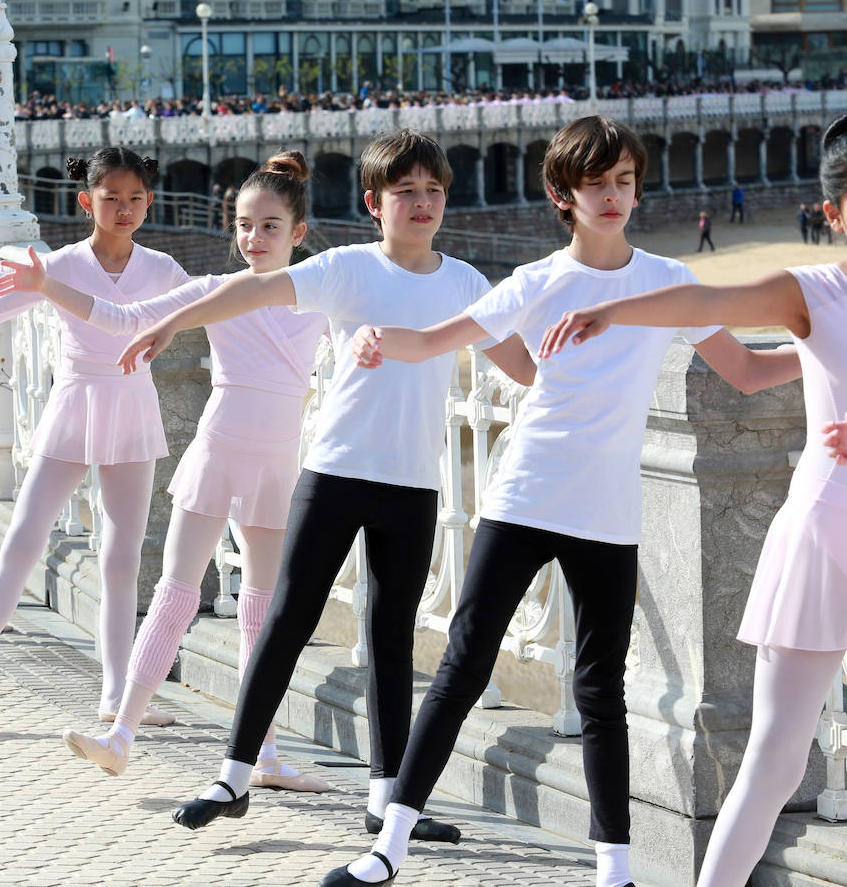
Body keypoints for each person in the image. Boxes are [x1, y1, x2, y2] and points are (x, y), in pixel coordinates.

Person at [315, 116, 798, 887]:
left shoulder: (668, 280)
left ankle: (615, 872)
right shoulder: (538, 281)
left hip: (607, 508)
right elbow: (437, 338)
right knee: (463, 666)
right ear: (561, 193)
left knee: (600, 690)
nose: (613, 196)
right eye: (596, 183)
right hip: (526, 494)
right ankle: (388, 848)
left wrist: (820, 348)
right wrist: (376, 337)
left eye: (624, 181)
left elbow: (745, 370)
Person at [115, 129, 533, 840]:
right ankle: (234, 776)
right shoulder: (346, 268)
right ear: (374, 202)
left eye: (433, 190)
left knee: (391, 639)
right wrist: (168, 326)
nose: (422, 202)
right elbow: (249, 289)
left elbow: (522, 365)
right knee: (287, 619)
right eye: (405, 191)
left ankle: (386, 799)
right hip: (334, 472)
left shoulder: (465, 282)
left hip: (412, 484)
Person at [537, 113, 844, 887]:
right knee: (776, 759)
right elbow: (703, 297)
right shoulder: (815, 291)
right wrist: (613, 310)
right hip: (827, 537)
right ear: (834, 214)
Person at [0, 150, 333, 788]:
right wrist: (45, 284)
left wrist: (370, 339)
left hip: (276, 463)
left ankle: (261, 755)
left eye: (269, 226)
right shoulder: (214, 290)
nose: (254, 238)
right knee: (176, 594)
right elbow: (125, 317)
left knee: (261, 610)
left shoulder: (320, 297)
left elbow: (384, 317)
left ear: (298, 232)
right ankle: (121, 732)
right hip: (217, 453)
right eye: (243, 225)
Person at [0, 147, 190, 726]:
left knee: (121, 555)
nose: (124, 209)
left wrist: (171, 331)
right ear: (86, 202)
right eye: (111, 198)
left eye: (135, 199)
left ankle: (115, 693)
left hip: (131, 405)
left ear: (150, 202)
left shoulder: (162, 268)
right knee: (25, 536)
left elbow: (206, 306)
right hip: (75, 400)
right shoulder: (63, 265)